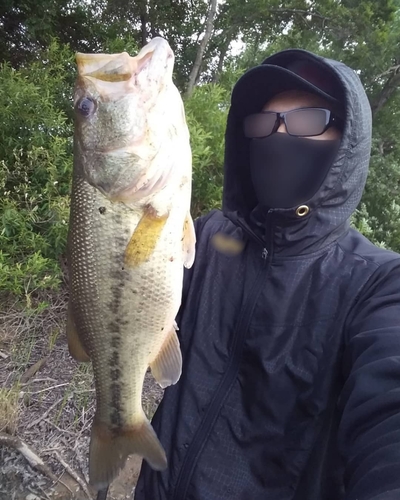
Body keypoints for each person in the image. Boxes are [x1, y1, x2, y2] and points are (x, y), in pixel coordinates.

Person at [135, 48, 400, 500]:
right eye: (264, 123)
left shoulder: (376, 286)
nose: (279, 135)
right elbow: (125, 286)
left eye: (306, 119)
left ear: (347, 142)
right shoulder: (207, 238)